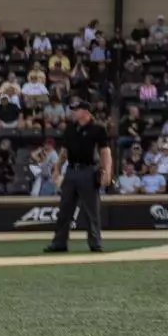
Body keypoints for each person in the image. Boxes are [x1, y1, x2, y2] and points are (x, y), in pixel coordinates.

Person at [44, 97, 112, 253]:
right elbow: (64, 151)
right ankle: (59, 242)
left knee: (91, 210)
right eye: (72, 110)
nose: (73, 113)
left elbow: (105, 151)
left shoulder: (98, 129)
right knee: (64, 209)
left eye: (76, 110)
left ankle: (95, 243)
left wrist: (107, 171)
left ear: (86, 112)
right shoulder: (70, 128)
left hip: (89, 170)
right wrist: (58, 168)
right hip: (71, 171)